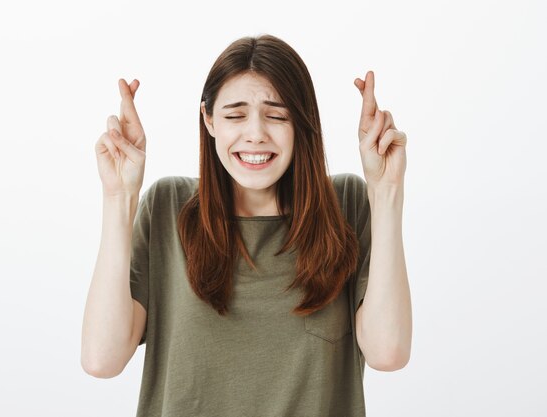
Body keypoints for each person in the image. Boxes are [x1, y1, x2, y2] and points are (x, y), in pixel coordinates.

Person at [81, 34, 412, 417]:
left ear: (302, 122)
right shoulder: (167, 206)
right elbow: (101, 359)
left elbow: (388, 352)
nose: (255, 133)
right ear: (209, 120)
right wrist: (119, 197)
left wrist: (385, 190)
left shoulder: (347, 205)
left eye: (276, 115)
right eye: (235, 115)